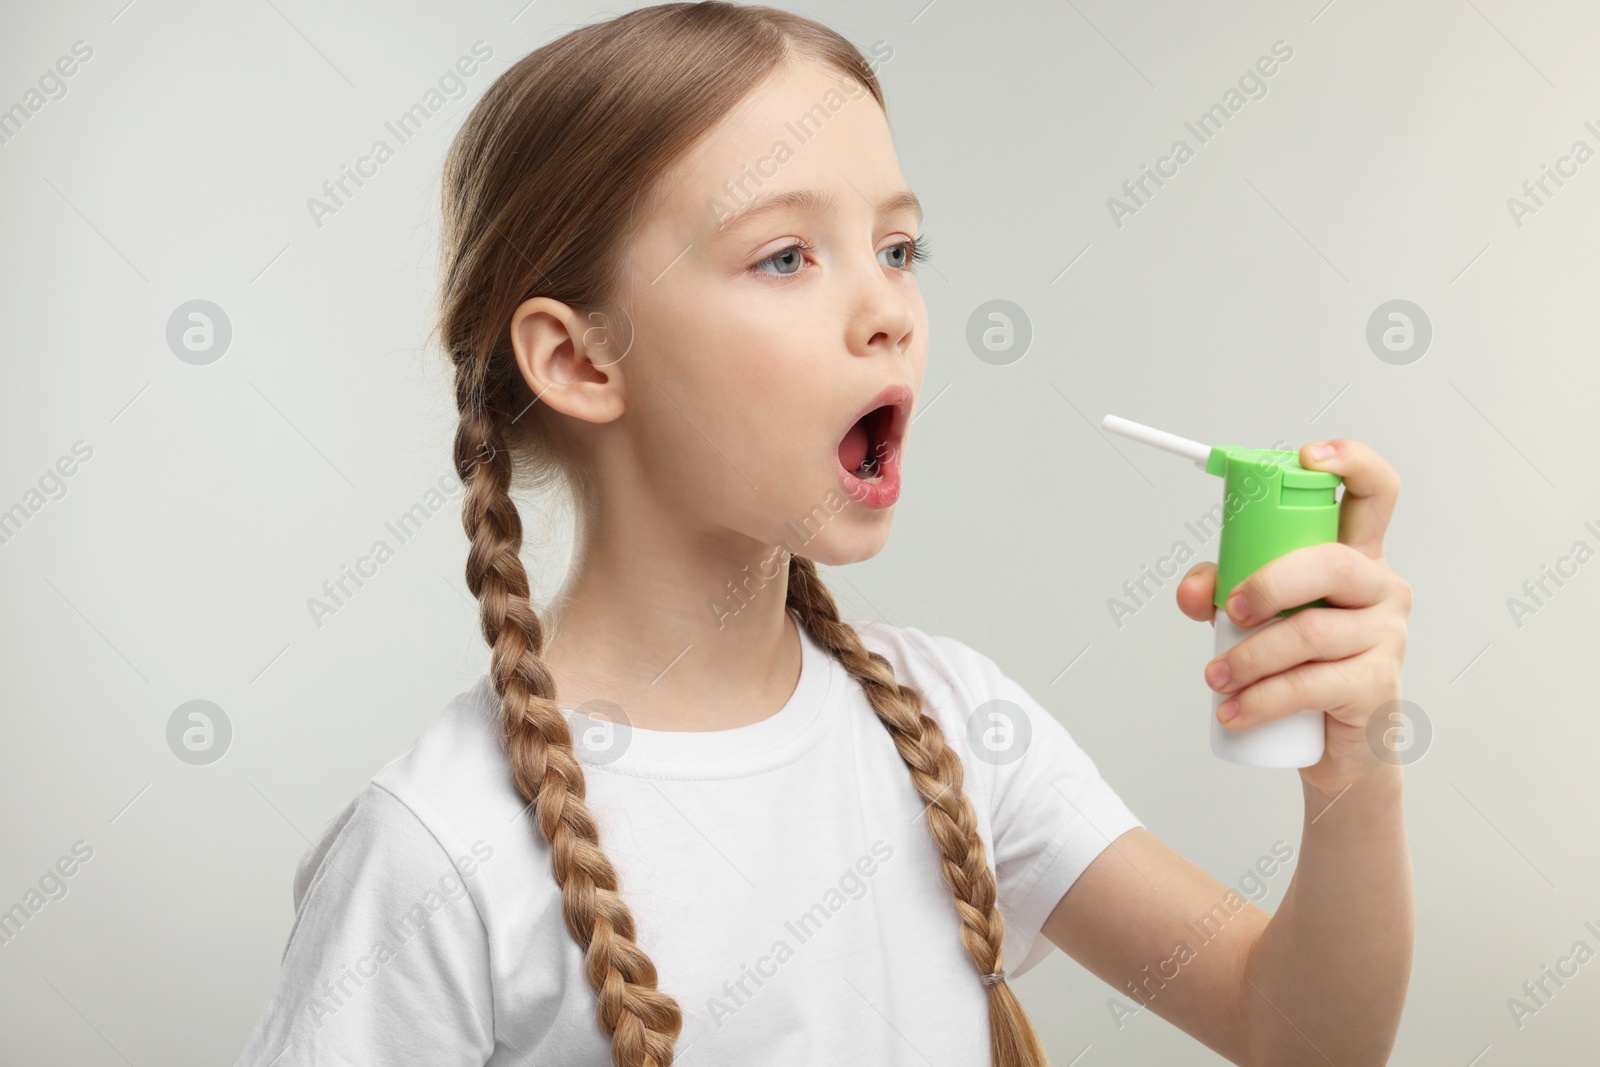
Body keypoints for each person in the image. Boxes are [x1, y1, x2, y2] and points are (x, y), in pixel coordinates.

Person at [233, 4, 1415, 1065]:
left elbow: (1300, 1036)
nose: (889, 310)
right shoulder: (435, 851)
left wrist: (1348, 767)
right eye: (787, 256)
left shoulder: (959, 726)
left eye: (898, 250)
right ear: (583, 357)